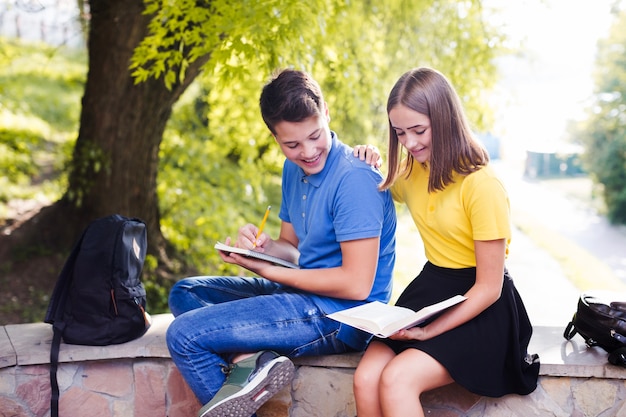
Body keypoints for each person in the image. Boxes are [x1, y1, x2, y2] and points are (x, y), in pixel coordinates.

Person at [166, 68, 397, 417]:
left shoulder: (355, 180)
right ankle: (253, 361)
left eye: (315, 136)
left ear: (327, 114)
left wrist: (270, 273)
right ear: (275, 138)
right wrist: (262, 249)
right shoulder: (294, 170)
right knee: (186, 293)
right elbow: (290, 248)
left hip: (344, 316)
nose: (308, 151)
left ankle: (250, 361)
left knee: (184, 335)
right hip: (303, 296)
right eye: (292, 144)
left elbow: (356, 284)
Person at [352, 67, 539, 417]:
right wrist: (366, 161)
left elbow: (489, 288)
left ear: (445, 118)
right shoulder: (410, 173)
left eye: (419, 130)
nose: (409, 143)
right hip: (430, 290)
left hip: (482, 305)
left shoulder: (482, 185)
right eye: (400, 133)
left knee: (397, 379)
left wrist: (429, 331)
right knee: (366, 379)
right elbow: (370, 192)